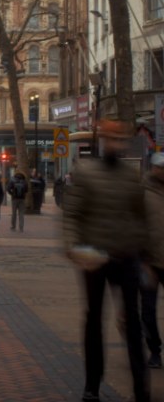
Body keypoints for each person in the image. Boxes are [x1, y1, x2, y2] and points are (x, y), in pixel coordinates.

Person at [63, 119, 149, 402]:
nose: (116, 144)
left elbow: (141, 217)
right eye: (111, 139)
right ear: (103, 142)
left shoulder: (130, 176)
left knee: (134, 323)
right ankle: (91, 385)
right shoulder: (87, 172)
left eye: (120, 139)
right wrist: (74, 246)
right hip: (96, 258)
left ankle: (141, 388)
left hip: (127, 256)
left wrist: (144, 254)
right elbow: (73, 214)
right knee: (94, 320)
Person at [140, 151, 164, 369]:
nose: (162, 171)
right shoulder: (142, 194)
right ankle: (154, 350)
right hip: (149, 262)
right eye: (159, 167)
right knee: (147, 310)